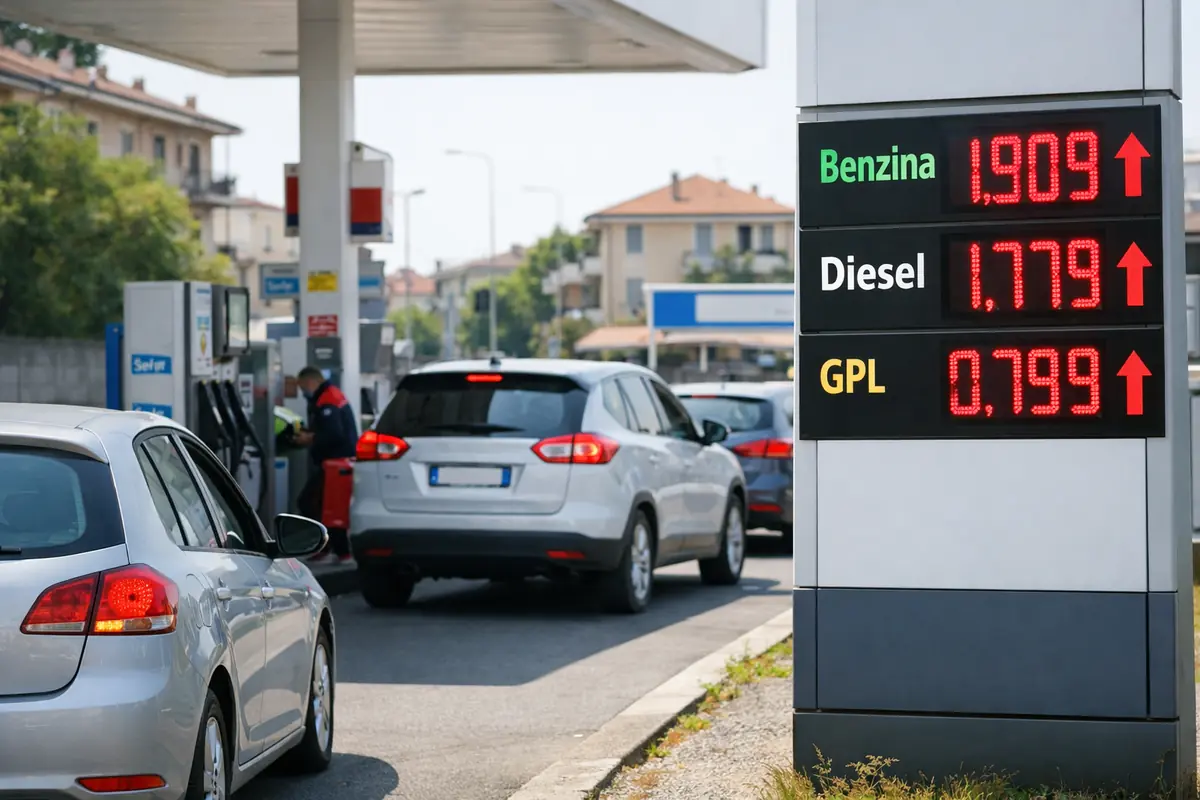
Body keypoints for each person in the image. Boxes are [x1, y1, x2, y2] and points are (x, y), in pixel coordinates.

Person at [294, 366, 358, 565]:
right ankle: (332, 549)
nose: (302, 391)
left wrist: (310, 438)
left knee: (313, 503)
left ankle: (334, 549)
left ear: (311, 382)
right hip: (334, 463)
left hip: (335, 464)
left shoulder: (328, 399)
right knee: (325, 505)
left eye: (303, 386)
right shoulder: (329, 396)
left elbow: (334, 434)